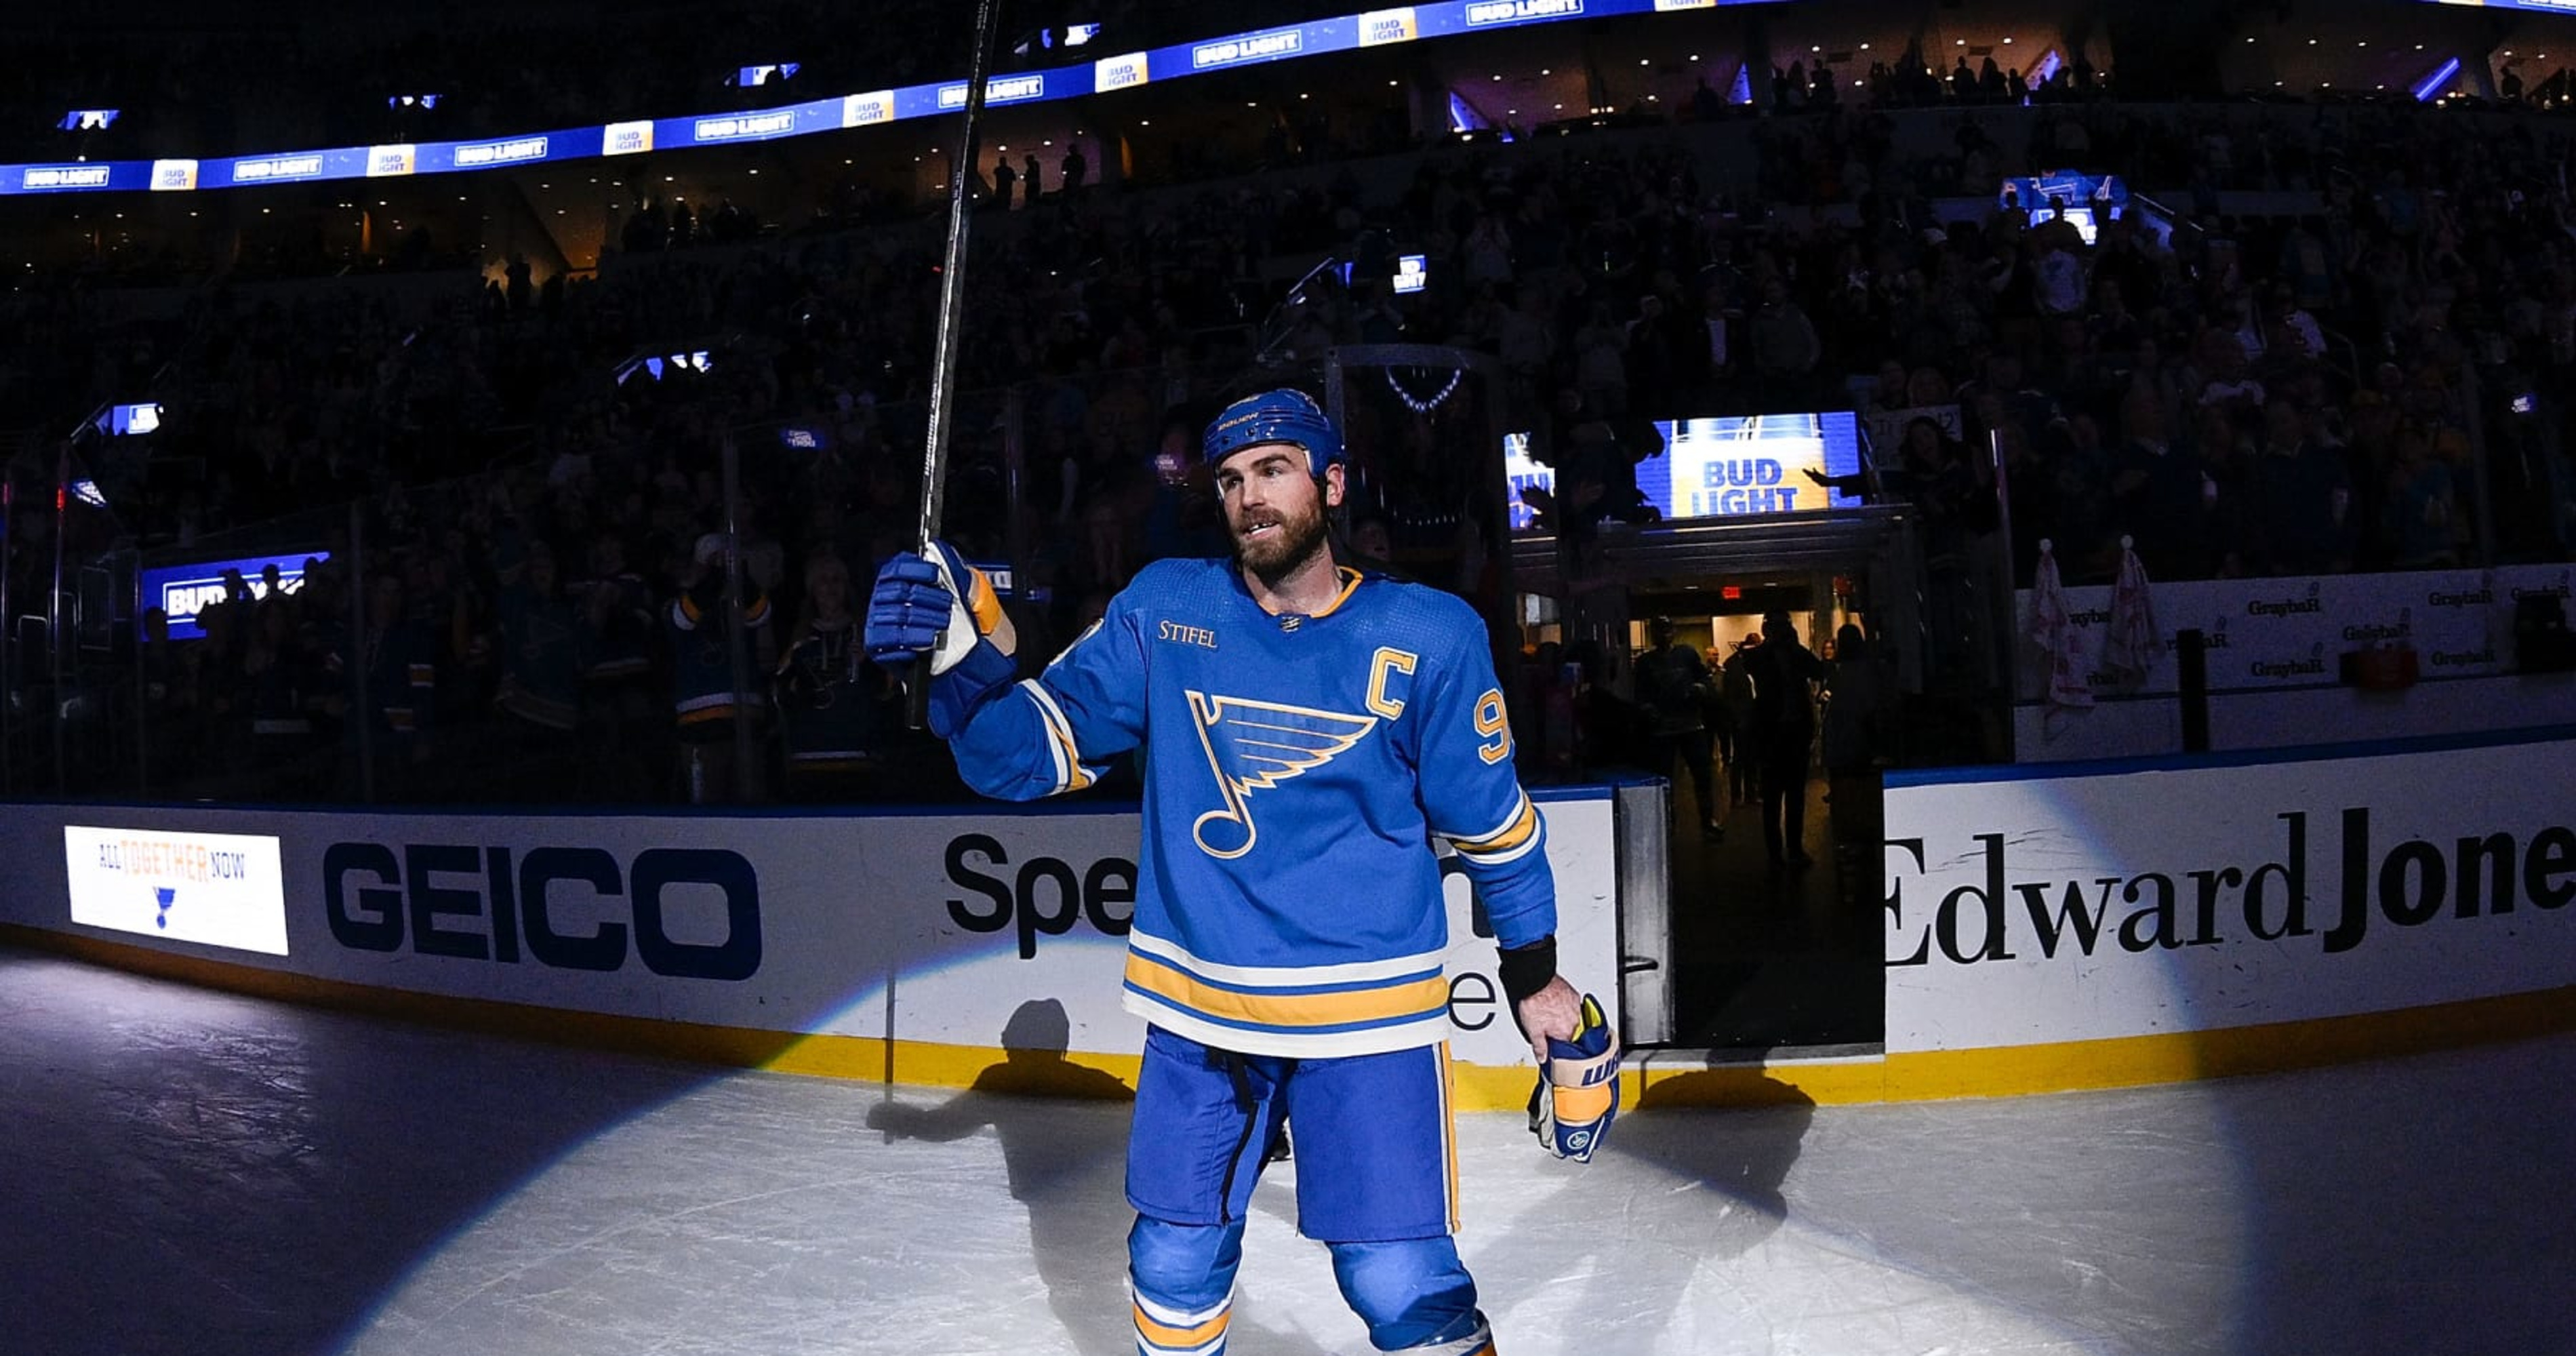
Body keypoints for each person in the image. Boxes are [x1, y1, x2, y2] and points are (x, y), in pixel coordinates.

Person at [867, 389, 1610, 1356]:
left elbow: (1494, 829)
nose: (1249, 497)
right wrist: (963, 650)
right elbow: (1018, 757)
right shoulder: (1167, 608)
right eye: (1229, 479)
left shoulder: (1434, 635)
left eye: (1274, 470)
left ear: (1331, 483)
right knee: (1172, 1266)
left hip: (1368, 1019)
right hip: (1199, 1015)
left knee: (1400, 1283)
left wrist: (1533, 972)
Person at [1744, 609, 1826, 870]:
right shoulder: (1764, 655)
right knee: (1778, 796)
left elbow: (1817, 669)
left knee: (1789, 795)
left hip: (1785, 733)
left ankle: (1788, 850)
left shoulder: (1787, 654)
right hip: (1777, 734)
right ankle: (1782, 851)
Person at [1632, 616, 1721, 837]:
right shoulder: (1646, 662)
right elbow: (1640, 694)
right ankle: (1667, 822)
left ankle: (1707, 819)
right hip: (1664, 728)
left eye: (1667, 630)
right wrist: (1649, 710)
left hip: (1691, 724)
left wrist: (1700, 689)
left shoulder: (1687, 654)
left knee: (1702, 775)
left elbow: (1705, 680)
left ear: (1674, 632)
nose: (1664, 635)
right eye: (1659, 631)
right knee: (1665, 779)